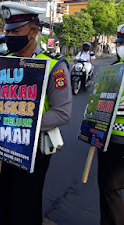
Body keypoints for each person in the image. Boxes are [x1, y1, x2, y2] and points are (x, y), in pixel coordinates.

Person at [0, 2, 72, 225]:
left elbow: (62, 113)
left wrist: (21, 123)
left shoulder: (54, 66)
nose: (8, 36)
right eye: (6, 31)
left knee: (25, 210)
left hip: (32, 152)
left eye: (15, 31)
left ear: (33, 31)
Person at [96, 24, 124, 225]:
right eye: (120, 42)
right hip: (112, 140)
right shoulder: (110, 71)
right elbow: (96, 107)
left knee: (109, 190)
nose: (121, 46)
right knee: (108, 190)